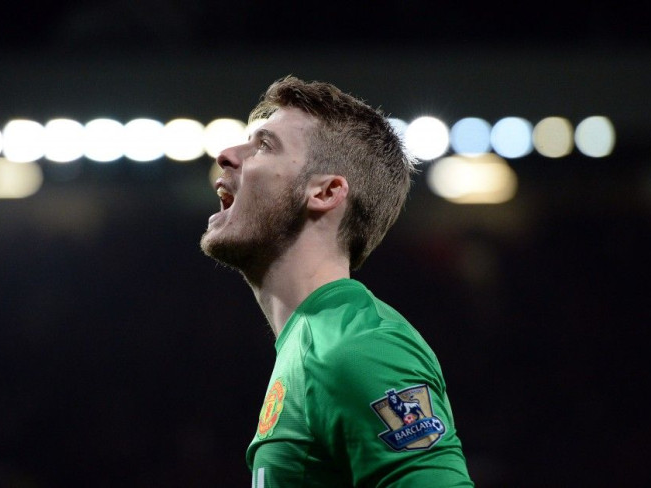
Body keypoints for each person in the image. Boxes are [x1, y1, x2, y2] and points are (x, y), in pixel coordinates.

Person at [200, 75, 474, 487]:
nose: (226, 154)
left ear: (326, 192)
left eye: (264, 145)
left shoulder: (360, 348)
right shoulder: (311, 342)